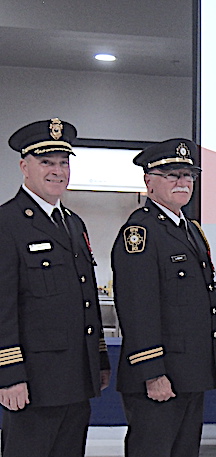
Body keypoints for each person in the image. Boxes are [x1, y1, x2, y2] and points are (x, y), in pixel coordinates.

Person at [0, 118, 110, 456]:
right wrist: (9, 374)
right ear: (24, 167)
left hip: (76, 377)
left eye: (63, 163)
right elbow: (3, 307)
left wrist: (99, 359)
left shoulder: (74, 223)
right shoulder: (7, 223)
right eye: (46, 162)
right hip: (34, 382)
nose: (57, 171)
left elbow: (86, 297)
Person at [111, 138, 216, 456]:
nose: (182, 182)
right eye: (172, 175)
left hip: (189, 374)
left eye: (188, 175)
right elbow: (137, 308)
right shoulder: (141, 233)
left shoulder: (191, 230)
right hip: (160, 377)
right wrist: (152, 373)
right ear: (149, 181)